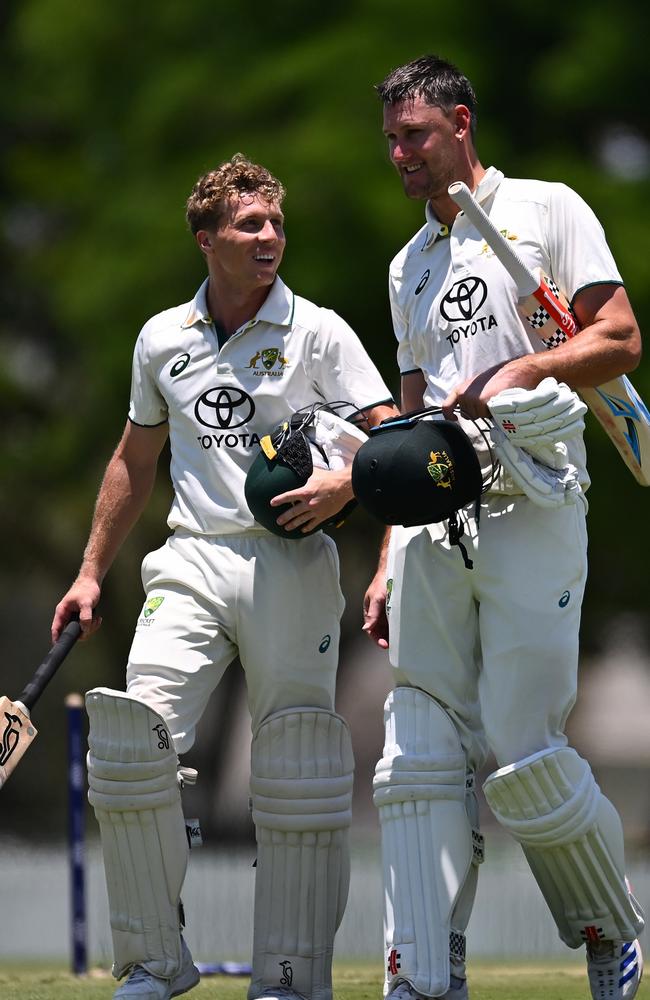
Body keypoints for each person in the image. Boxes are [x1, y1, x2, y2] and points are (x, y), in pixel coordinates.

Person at [52, 152, 396, 1000]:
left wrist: (348, 482)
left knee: (299, 767)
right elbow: (136, 459)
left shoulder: (318, 331)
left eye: (276, 222)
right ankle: (156, 964)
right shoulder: (162, 337)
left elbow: (392, 438)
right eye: (249, 224)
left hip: (293, 559)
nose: (269, 235)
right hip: (193, 554)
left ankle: (288, 975)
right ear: (208, 239)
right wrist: (92, 570)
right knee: (131, 745)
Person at [362, 55, 645, 1000]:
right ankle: (424, 973)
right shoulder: (409, 266)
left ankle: (611, 931)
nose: (402, 152)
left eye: (417, 134)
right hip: (438, 525)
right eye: (393, 138)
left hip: (536, 500)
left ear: (462, 124)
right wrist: (385, 556)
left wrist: (527, 372)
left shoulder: (547, 208)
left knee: (526, 753)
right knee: (416, 755)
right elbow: (405, 430)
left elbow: (621, 339)